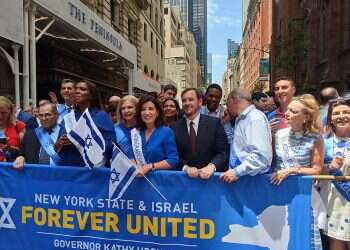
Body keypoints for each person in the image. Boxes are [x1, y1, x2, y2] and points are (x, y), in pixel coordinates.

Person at [270, 95, 324, 250]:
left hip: (302, 194)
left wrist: (292, 170)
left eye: (293, 111)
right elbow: (272, 162)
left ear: (306, 116)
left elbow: (317, 169)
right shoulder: (279, 135)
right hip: (280, 192)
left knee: (301, 236)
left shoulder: (315, 138)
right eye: (287, 110)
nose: (287, 113)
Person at [172, 88, 228, 179]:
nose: (187, 103)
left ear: (200, 102)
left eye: (191, 99)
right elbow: (173, 155)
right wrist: (185, 168)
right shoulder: (174, 128)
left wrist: (212, 166)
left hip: (210, 181)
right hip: (184, 181)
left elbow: (223, 153)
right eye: (184, 100)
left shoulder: (215, 124)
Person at [58, 79, 116, 167]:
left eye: (82, 89)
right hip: (68, 168)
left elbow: (111, 145)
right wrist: (60, 143)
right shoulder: (68, 117)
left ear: (91, 95)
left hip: (91, 170)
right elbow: (56, 147)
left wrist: (78, 141)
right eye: (76, 89)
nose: (77, 91)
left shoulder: (101, 116)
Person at [220, 88, 272, 183]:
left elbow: (261, 157)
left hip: (253, 181)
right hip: (242, 178)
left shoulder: (255, 118)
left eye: (227, 103)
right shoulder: (242, 119)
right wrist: (227, 124)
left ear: (233, 100)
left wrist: (237, 171)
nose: (227, 108)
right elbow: (235, 146)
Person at [321, 98, 350, 250]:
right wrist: (330, 166)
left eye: (346, 112)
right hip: (334, 205)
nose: (341, 116)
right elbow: (317, 170)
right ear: (330, 118)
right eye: (336, 113)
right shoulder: (324, 143)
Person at [131, 95, 179, 176]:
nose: (146, 112)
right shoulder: (136, 132)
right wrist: (132, 162)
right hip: (139, 181)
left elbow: (173, 160)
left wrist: (151, 166)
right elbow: (131, 155)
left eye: (150, 109)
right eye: (143, 109)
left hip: (159, 182)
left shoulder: (166, 132)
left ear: (157, 113)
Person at [13, 103, 63, 168]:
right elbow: (22, 154)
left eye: (48, 115)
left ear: (57, 115)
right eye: (41, 115)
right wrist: (21, 158)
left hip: (61, 175)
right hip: (35, 175)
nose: (44, 118)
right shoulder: (30, 135)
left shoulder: (66, 134)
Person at [0, 96, 26, 162]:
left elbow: (26, 151)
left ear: (10, 112)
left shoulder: (19, 126)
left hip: (12, 168)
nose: (0, 116)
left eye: (3, 113)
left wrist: (10, 148)